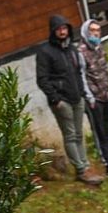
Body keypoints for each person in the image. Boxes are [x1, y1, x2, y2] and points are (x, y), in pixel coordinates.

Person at [36, 15, 103, 186]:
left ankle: (85, 166)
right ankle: (81, 169)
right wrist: (55, 99)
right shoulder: (45, 51)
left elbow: (78, 73)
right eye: (59, 29)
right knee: (71, 134)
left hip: (77, 98)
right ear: (53, 31)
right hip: (61, 101)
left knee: (79, 133)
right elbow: (42, 79)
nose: (62, 31)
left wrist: (82, 93)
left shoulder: (72, 49)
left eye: (64, 28)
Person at [79, 19, 108, 176]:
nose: (96, 33)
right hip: (94, 99)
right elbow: (82, 76)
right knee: (100, 131)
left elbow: (105, 71)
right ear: (86, 32)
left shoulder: (99, 48)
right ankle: (107, 163)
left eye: (98, 30)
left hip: (107, 95)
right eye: (92, 31)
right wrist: (89, 97)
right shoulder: (81, 52)